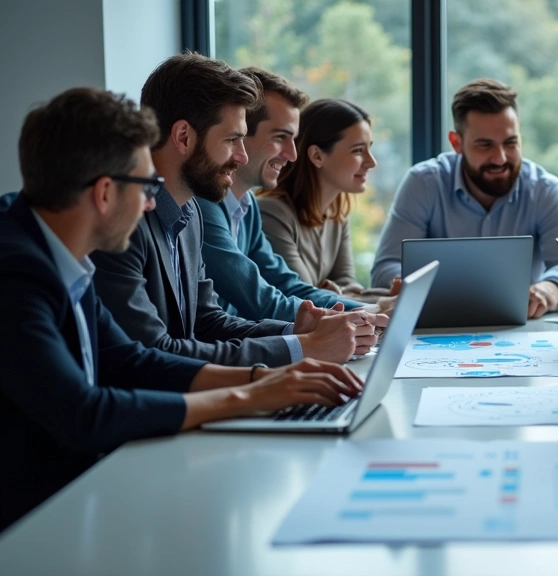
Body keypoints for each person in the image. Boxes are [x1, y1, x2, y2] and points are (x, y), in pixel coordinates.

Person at [0, 87, 364, 532]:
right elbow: (84, 414)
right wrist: (248, 395)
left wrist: (268, 378)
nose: (152, 202)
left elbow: (130, 359)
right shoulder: (15, 271)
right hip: (32, 523)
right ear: (104, 193)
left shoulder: (61, 255)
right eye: (146, 185)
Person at [91, 53, 385, 368]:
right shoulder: (123, 224)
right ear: (183, 137)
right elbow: (153, 353)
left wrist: (298, 331)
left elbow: (206, 322)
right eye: (232, 140)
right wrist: (301, 348)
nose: (242, 156)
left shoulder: (189, 215)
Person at [370, 79, 558, 319]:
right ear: (457, 143)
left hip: (525, 326)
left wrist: (550, 288)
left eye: (511, 143)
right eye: (485, 145)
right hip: (437, 325)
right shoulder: (423, 184)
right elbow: (387, 266)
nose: (500, 158)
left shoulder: (546, 190)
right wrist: (424, 288)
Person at [194, 67, 366, 323]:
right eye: (280, 137)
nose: (293, 154)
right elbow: (259, 300)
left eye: (294, 139)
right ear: (241, 134)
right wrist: (350, 317)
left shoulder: (246, 206)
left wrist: (368, 311)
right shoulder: (203, 204)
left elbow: (289, 286)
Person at [257, 98, 375, 298]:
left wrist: (385, 297)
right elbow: (305, 297)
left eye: (369, 148)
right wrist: (381, 300)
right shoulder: (272, 213)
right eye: (358, 151)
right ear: (317, 156)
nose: (371, 162)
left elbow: (349, 285)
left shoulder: (337, 216)